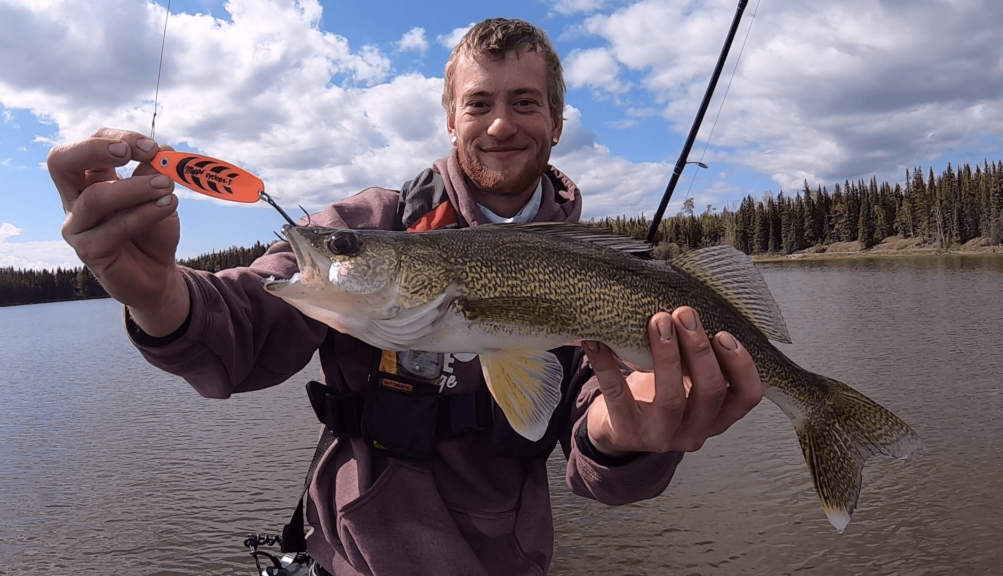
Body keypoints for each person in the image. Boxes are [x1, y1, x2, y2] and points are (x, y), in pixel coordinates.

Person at [48, 18, 763, 576]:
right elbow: (238, 326)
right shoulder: (365, 227)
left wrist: (626, 432)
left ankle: (814, 406)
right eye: (478, 103)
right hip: (354, 559)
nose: (501, 124)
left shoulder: (591, 262)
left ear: (555, 124)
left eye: (525, 103)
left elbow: (597, 463)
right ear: (451, 121)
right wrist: (156, 293)